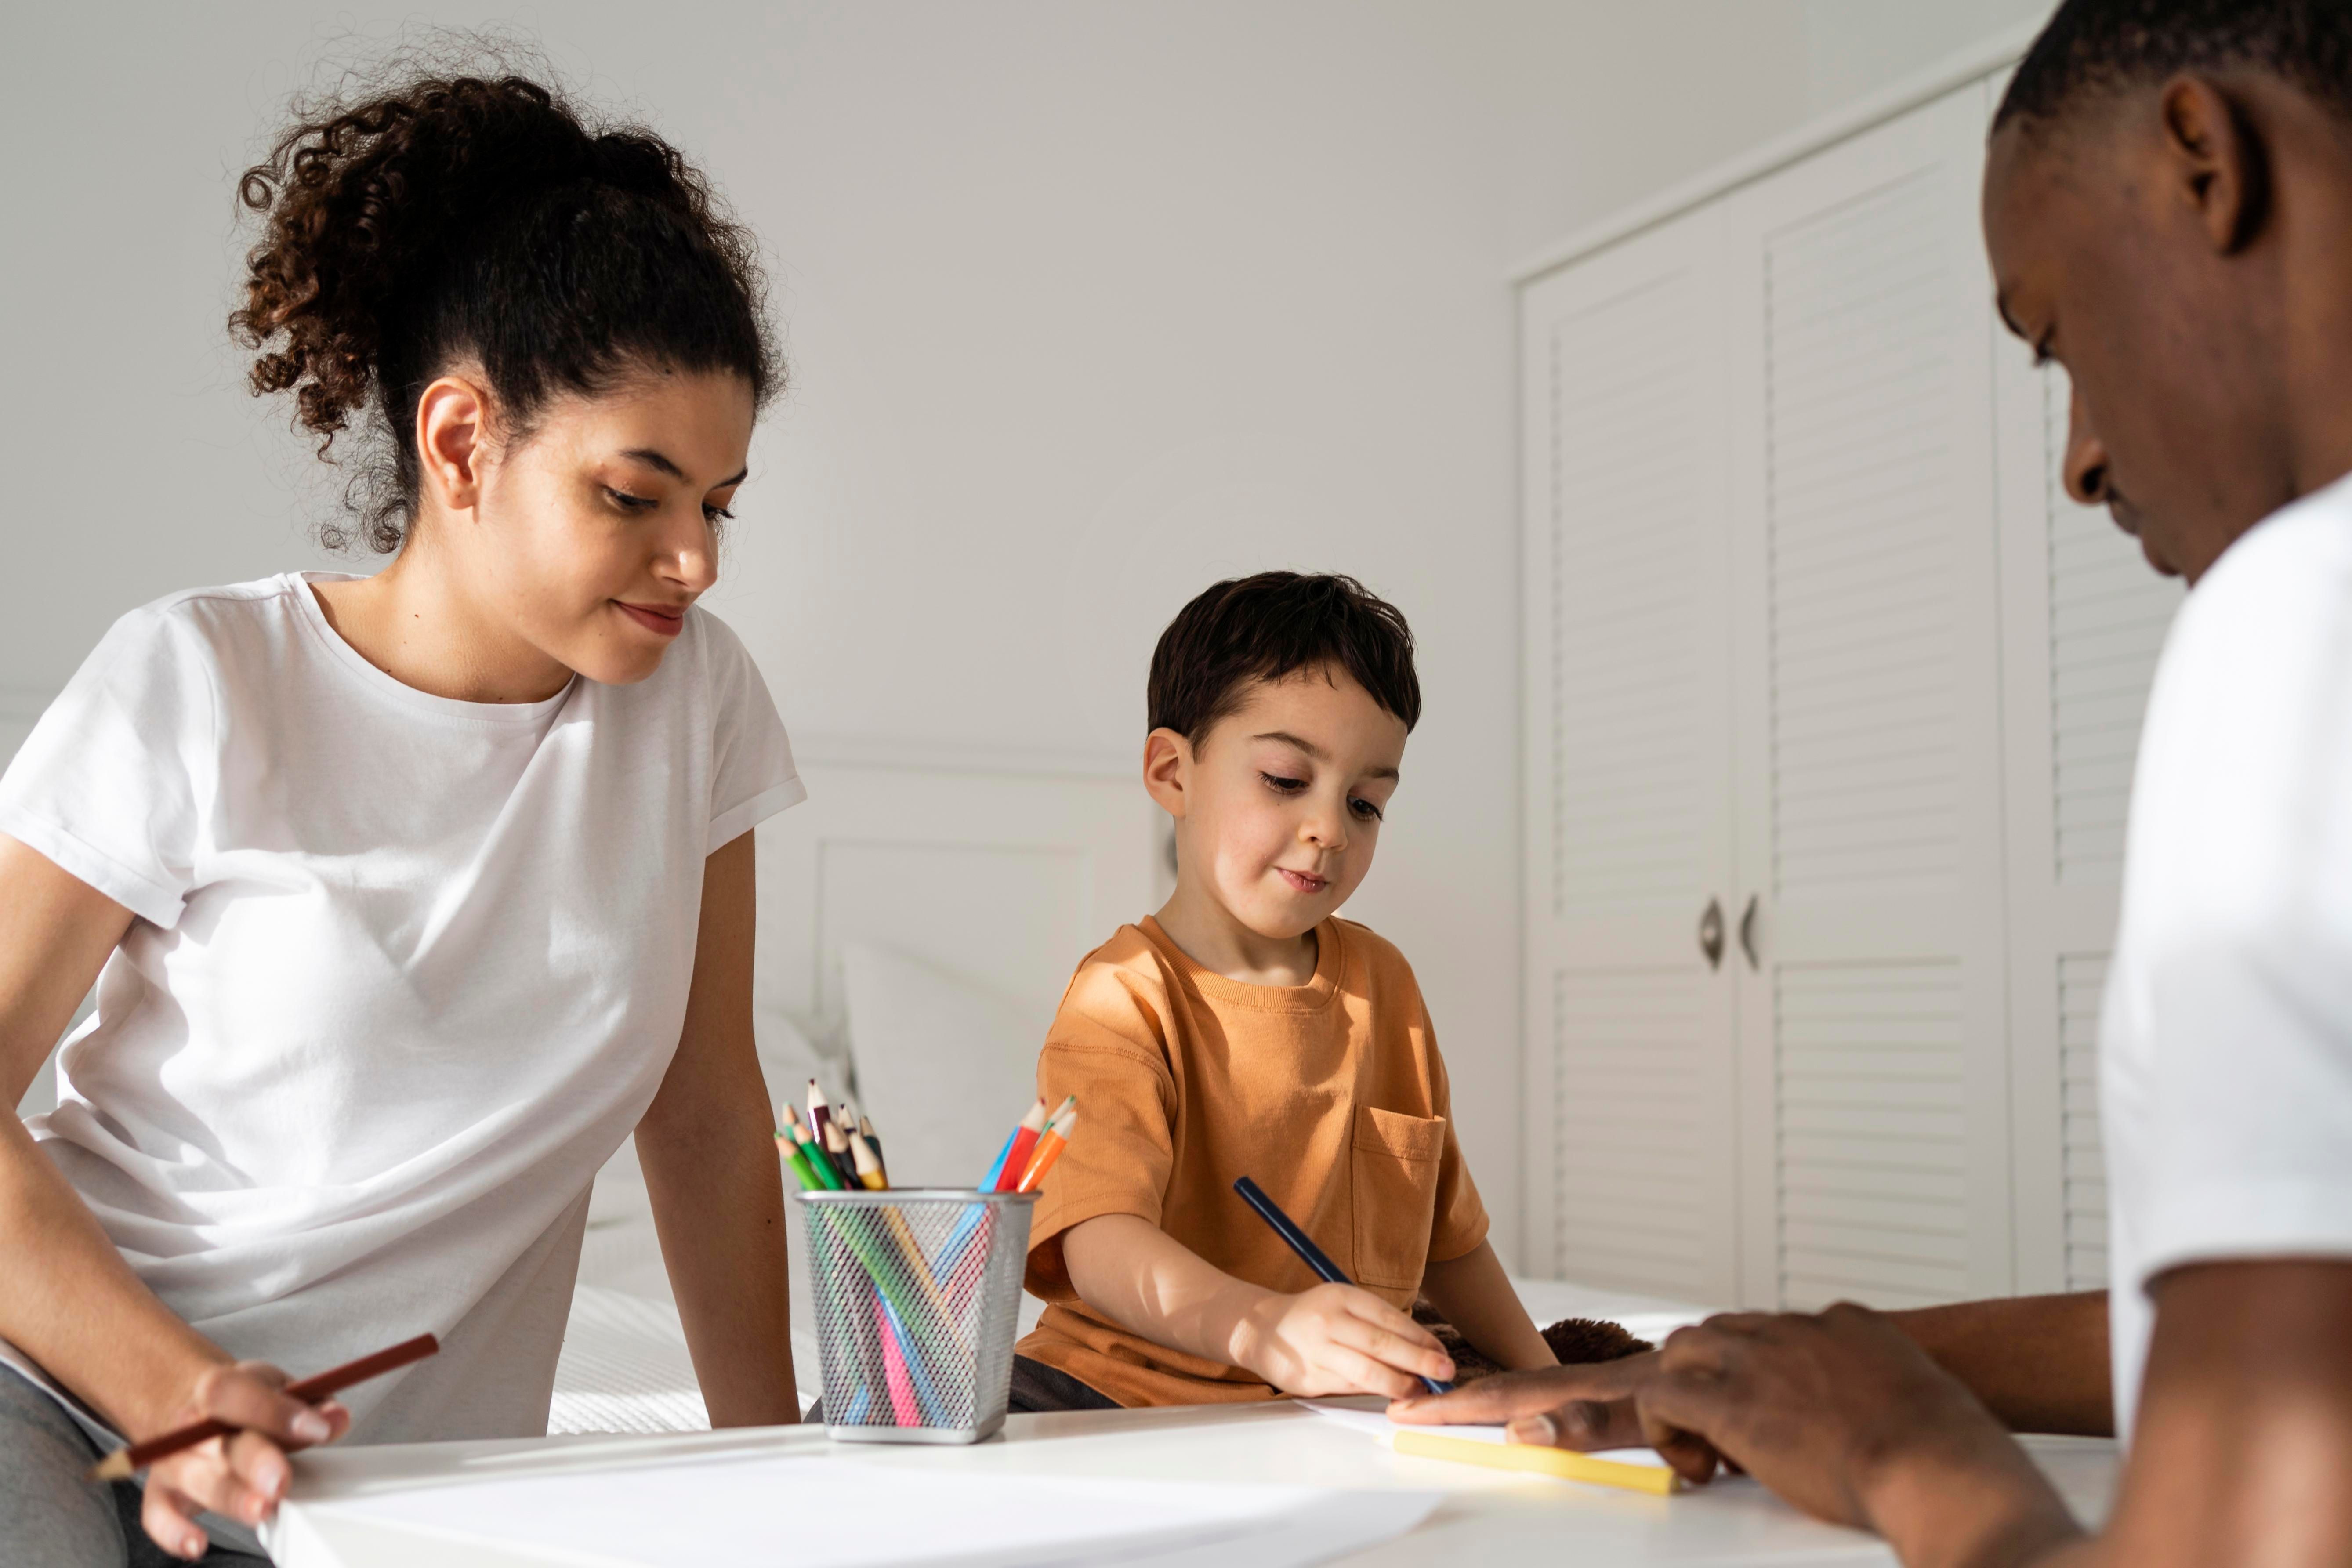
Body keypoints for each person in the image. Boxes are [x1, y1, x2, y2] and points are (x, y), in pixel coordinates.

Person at [1393, 1, 2352, 1561]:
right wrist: (1776, 1365)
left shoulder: (2303, 614)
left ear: (2201, 158)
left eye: (2055, 341)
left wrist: (1894, 1443)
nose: (2080, 458)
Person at [0, 71, 804, 1564]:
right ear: (458, 443)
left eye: (721, 504)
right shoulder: (199, 678)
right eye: (636, 495)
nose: (695, 560)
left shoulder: (694, 706)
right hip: (59, 1398)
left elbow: (699, 1114)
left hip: (383, 1492)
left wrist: (778, 1474)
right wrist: (173, 1392)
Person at [1011, 572, 1555, 1411]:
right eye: (1284, 779)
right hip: (1107, 1388)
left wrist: (1557, 1384)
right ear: (1171, 771)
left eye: (1367, 803)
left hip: (1323, 1406)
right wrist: (1263, 1327)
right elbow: (1097, 1237)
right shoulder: (1122, 996)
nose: (1331, 829)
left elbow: (1448, 1244)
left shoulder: (1387, 988)